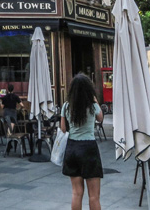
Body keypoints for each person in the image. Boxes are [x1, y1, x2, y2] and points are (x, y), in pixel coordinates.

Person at [61, 74, 104, 210]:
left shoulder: (66, 106)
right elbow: (100, 119)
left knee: (76, 193)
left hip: (72, 147)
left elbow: (63, 128)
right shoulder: (92, 106)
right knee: (94, 196)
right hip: (88, 148)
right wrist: (95, 101)